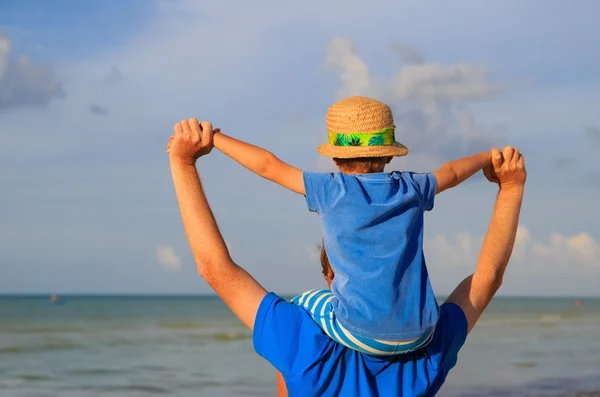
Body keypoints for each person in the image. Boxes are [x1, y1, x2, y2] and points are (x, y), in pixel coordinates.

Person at [167, 118, 526, 396]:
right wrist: (510, 186)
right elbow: (487, 277)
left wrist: (183, 162)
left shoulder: (305, 345)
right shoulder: (428, 352)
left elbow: (214, 268)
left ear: (332, 275)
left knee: (302, 311)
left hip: (310, 357)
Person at [212, 96, 494, 355]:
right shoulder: (412, 187)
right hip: (421, 332)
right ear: (389, 154)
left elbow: (268, 166)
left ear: (335, 157)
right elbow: (453, 172)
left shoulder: (332, 189)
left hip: (361, 333)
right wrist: (488, 157)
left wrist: (214, 138)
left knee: (304, 302)